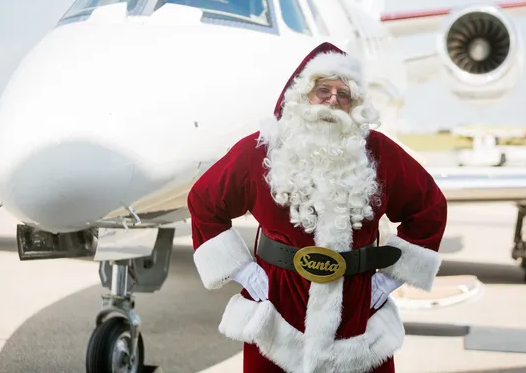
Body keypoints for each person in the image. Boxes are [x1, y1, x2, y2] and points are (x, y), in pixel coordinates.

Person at [187, 42, 447, 373]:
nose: (332, 100)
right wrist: (244, 272)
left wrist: (389, 280)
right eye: (322, 90)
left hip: (358, 322)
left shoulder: (379, 153)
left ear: (356, 105)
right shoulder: (260, 151)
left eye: (344, 94)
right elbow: (204, 201)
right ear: (301, 95)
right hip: (276, 316)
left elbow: (429, 208)